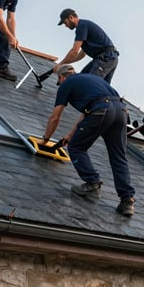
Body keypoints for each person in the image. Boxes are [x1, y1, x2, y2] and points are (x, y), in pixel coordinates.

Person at [42, 64, 135, 217]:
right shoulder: (92, 79)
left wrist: (45, 140)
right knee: (119, 156)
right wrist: (71, 135)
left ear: (61, 77)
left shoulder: (66, 84)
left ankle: (92, 183)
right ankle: (127, 200)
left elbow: (55, 117)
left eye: (59, 81)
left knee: (76, 148)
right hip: (120, 111)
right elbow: (89, 110)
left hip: (101, 110)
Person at [55, 9, 119, 84]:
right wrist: (65, 63)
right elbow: (81, 55)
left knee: (88, 84)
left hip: (105, 58)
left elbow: (75, 50)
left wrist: (60, 64)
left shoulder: (81, 26)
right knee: (84, 80)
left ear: (71, 17)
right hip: (107, 58)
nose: (66, 26)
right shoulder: (84, 27)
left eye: (65, 23)